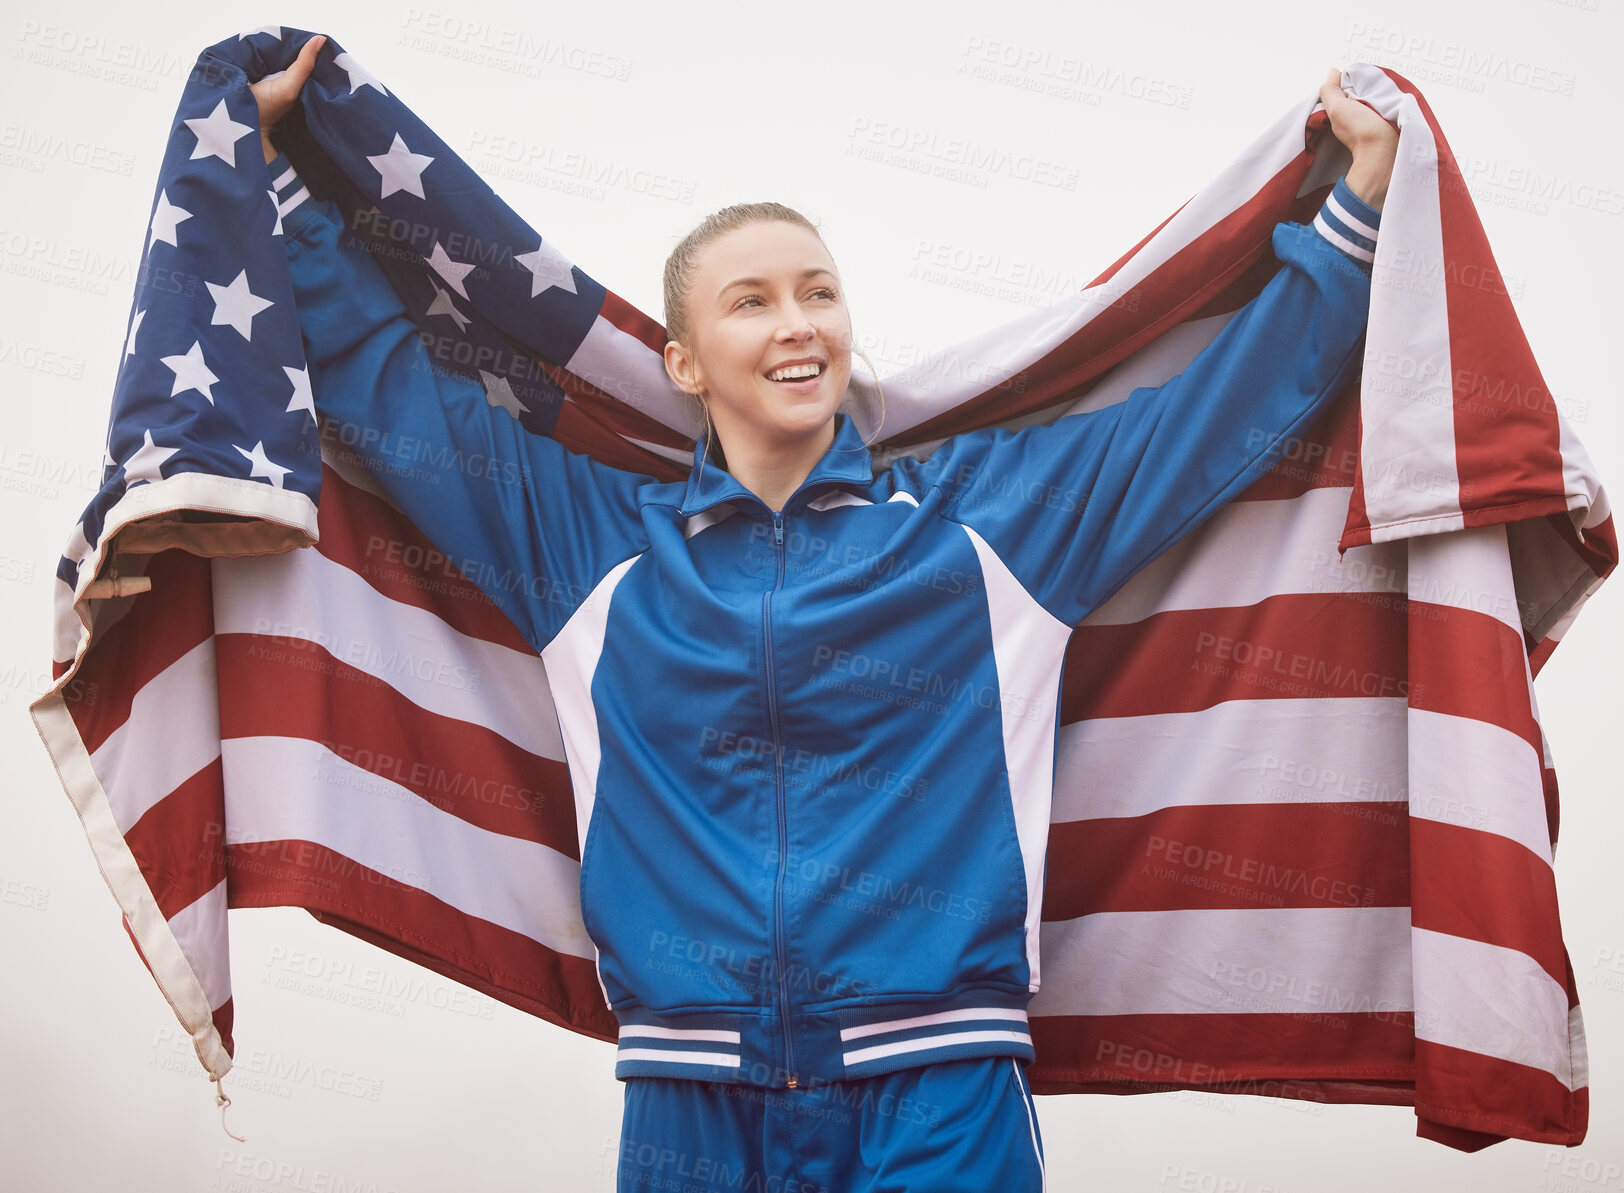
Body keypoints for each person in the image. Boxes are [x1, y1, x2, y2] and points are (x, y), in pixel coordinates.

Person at [257, 35, 1395, 1193]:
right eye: (750, 303)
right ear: (687, 364)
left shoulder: (987, 523)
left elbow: (1217, 410)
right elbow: (387, 382)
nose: (797, 322)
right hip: (688, 1097)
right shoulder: (588, 545)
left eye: (819, 292)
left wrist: (1357, 203)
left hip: (940, 1087)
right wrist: (269, 176)